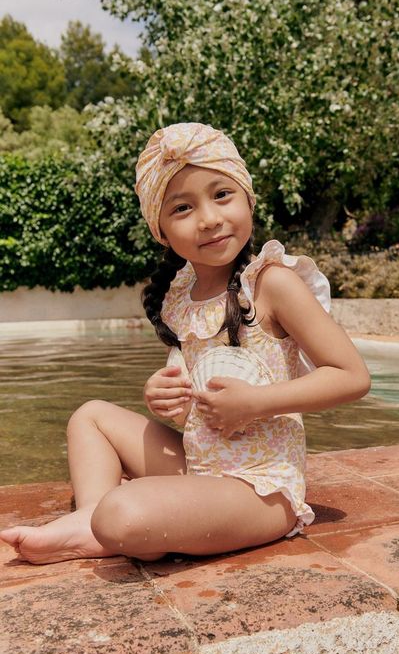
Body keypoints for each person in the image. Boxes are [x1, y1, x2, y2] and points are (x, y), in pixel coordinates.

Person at [0, 122, 371, 565]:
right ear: (161, 230)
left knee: (123, 511)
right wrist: (164, 395)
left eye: (221, 195)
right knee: (90, 417)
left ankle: (105, 521)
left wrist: (256, 402)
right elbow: (193, 391)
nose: (209, 218)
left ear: (248, 198)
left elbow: (352, 377)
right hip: (200, 465)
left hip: (260, 489)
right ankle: (90, 520)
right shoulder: (180, 296)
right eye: (182, 208)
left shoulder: (273, 283)